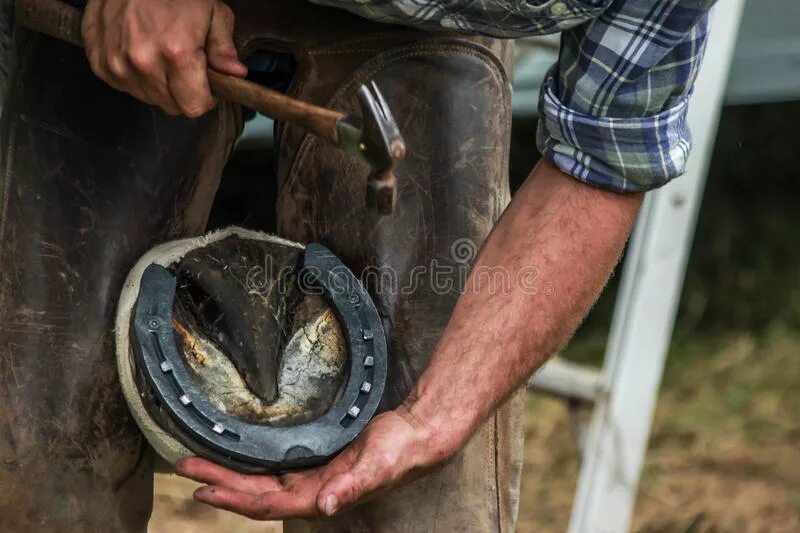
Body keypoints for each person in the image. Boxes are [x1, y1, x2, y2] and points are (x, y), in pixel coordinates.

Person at [0, 0, 714, 530]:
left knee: (418, 504)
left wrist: (434, 420)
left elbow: (604, 160)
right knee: (39, 463)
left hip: (417, 26)